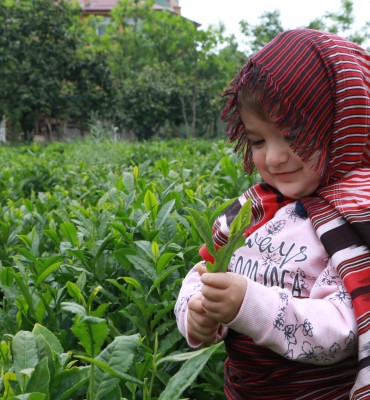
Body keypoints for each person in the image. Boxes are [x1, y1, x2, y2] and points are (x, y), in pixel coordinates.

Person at [175, 29, 370, 400]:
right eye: (259, 141)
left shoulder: (357, 219)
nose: (275, 158)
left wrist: (249, 305)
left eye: (295, 135)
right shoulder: (256, 206)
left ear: (344, 126)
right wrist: (198, 311)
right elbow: (201, 273)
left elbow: (342, 332)